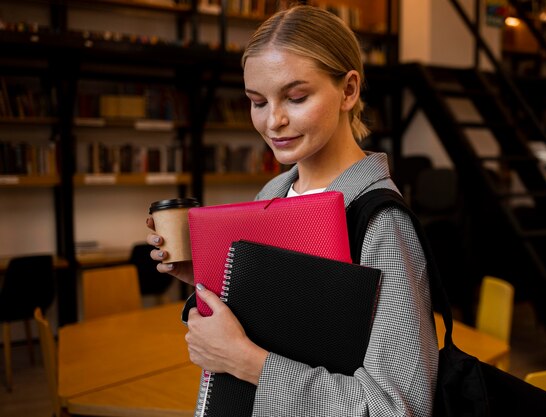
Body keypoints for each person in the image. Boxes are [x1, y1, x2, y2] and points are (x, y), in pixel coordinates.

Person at [146, 5, 438, 416]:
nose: (273, 121)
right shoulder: (275, 192)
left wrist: (246, 362)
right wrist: (210, 278)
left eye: (296, 97)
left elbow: (396, 408)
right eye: (257, 102)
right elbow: (294, 328)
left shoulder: (380, 224)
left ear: (349, 90)